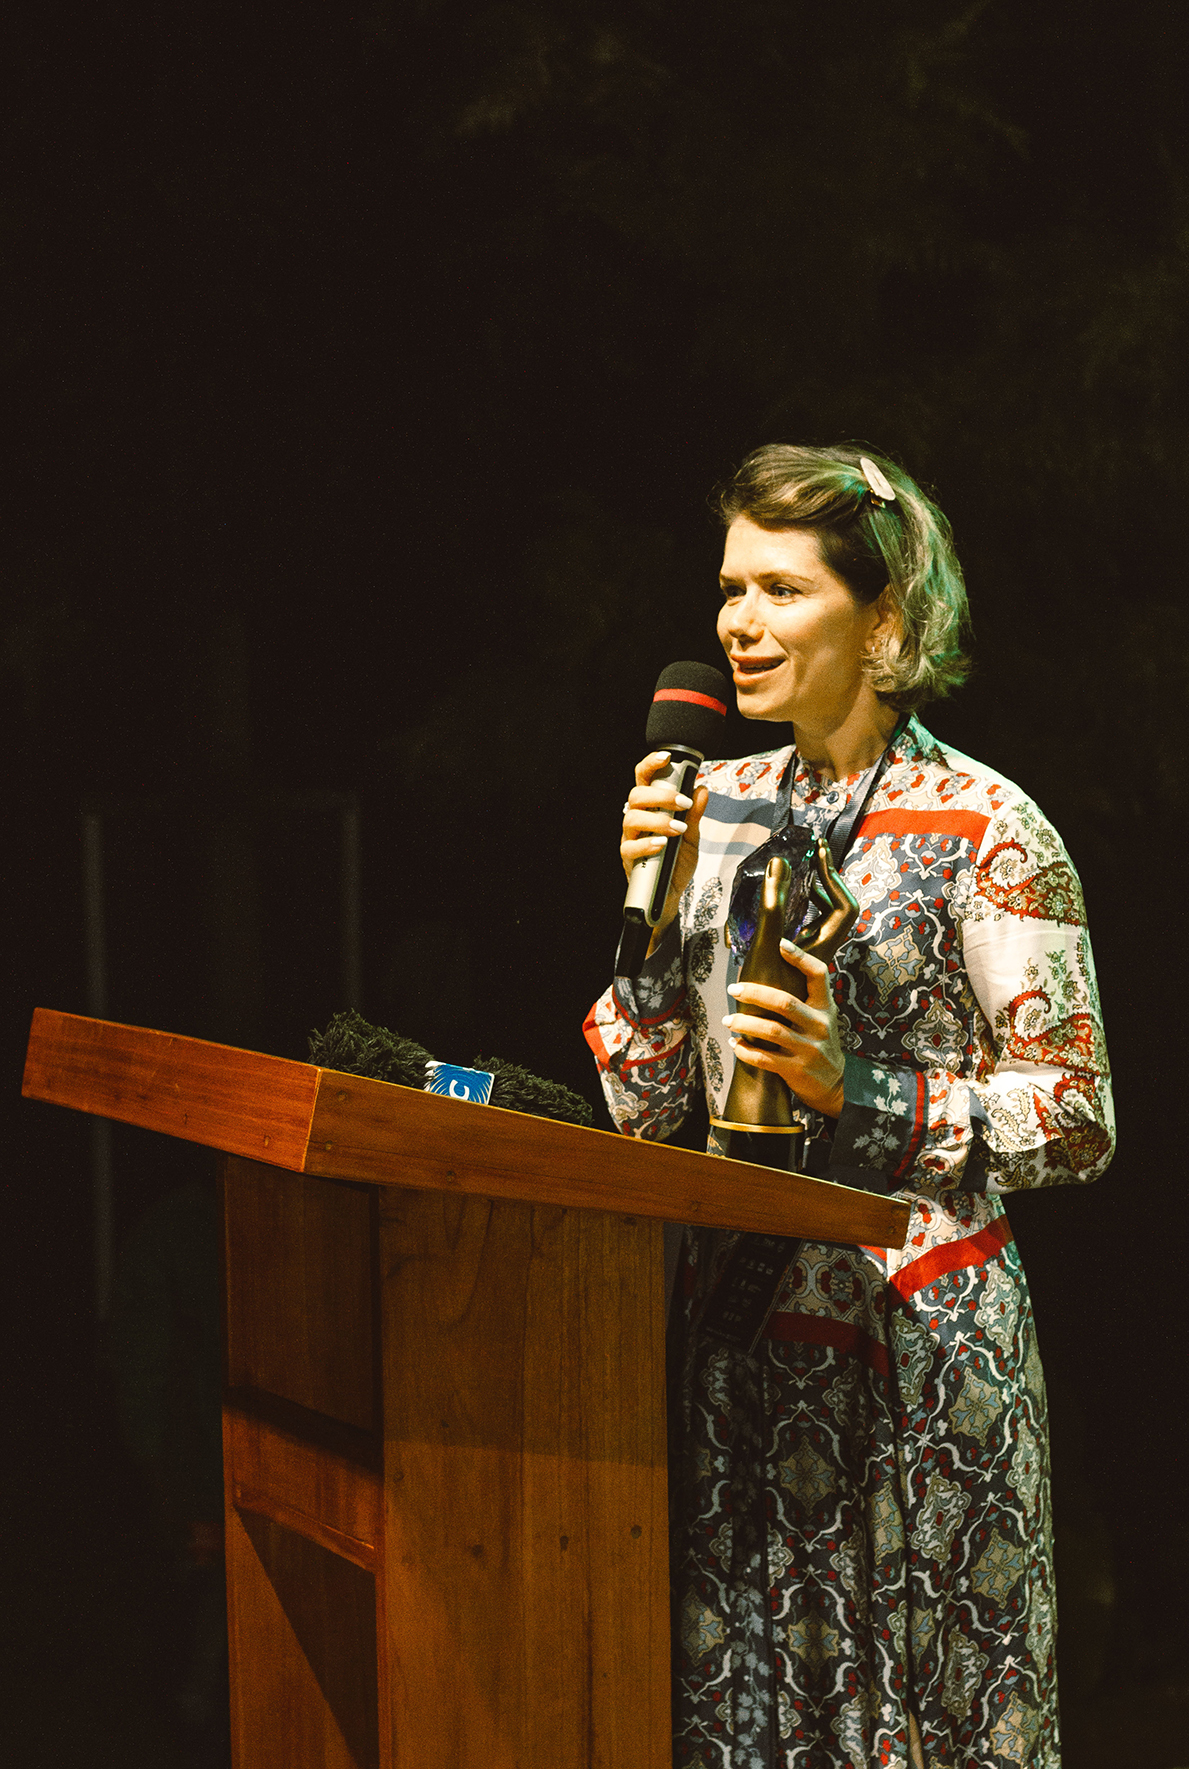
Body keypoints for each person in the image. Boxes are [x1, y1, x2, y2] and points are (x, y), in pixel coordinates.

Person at [584, 444, 1113, 1769]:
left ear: (883, 622)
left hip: (921, 1355)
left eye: (781, 589)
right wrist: (645, 922)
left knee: (926, 1724)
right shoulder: (708, 806)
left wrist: (858, 1092)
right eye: (730, 588)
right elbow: (645, 1109)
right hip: (741, 1344)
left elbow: (1074, 1115)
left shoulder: (989, 824)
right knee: (752, 1719)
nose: (738, 622)